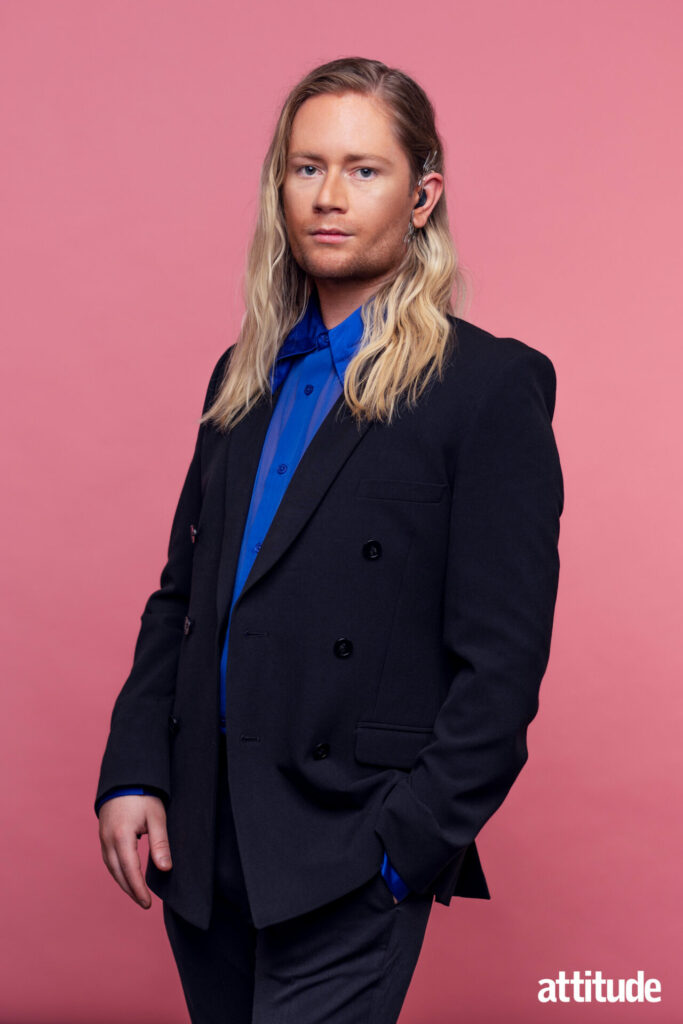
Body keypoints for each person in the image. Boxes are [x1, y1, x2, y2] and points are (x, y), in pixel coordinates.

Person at [95, 56, 564, 1024]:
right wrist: (134, 768)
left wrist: (403, 848)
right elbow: (183, 597)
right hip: (202, 831)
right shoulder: (244, 373)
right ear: (279, 185)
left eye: (363, 168)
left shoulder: (483, 386)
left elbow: (501, 663)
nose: (328, 197)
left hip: (348, 840)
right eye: (305, 167)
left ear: (422, 193)